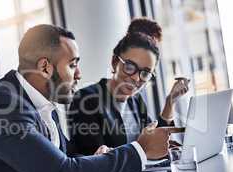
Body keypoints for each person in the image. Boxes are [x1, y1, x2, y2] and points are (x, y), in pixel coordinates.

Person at [0, 24, 175, 172]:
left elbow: (67, 156)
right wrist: (140, 150)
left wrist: (94, 158)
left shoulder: (41, 103)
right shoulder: (3, 104)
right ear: (44, 67)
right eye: (72, 65)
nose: (79, 74)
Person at [68, 18, 190, 156]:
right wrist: (142, 150)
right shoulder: (86, 99)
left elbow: (156, 140)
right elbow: (93, 162)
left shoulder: (136, 101)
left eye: (145, 73)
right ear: (115, 62)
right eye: (130, 67)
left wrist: (170, 101)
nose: (136, 78)